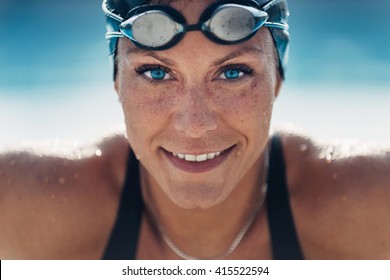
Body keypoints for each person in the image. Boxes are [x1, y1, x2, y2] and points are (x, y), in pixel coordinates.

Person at [0, 0, 389, 260]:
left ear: (278, 79)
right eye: (156, 73)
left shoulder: (371, 213)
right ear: (117, 82)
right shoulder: (22, 211)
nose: (195, 125)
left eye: (233, 72)